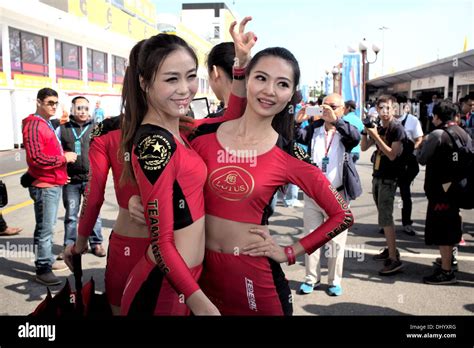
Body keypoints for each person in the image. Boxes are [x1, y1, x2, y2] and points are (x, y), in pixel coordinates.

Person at [190, 47, 353, 315]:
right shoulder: (202, 134)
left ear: (291, 95)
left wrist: (290, 252)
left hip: (254, 277)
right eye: (261, 78)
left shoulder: (289, 154)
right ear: (246, 79)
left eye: (282, 84)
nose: (269, 91)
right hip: (199, 272)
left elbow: (342, 215)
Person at [119, 17, 254, 316]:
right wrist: (200, 302)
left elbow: (232, 119)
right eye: (171, 79)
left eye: (191, 76)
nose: (185, 89)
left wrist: (241, 66)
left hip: (185, 282)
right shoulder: (155, 143)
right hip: (164, 289)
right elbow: (162, 242)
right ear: (144, 83)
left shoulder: (180, 131)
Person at [294, 93, 360, 296]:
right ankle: (310, 279)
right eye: (323, 106)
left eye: (332, 106)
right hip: (313, 195)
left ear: (342, 109)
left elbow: (356, 137)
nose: (327, 109)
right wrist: (297, 123)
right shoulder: (313, 129)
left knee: (336, 243)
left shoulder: (346, 131)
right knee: (311, 238)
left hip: (338, 196)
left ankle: (334, 281)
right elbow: (294, 138)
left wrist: (336, 121)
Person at [22, 87, 77, 286]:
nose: (54, 106)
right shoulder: (35, 125)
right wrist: (63, 159)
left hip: (51, 182)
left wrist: (61, 174)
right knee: (45, 230)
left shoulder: (44, 123)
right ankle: (42, 268)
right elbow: (37, 158)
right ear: (39, 102)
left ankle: (46, 261)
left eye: (56, 102)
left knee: (48, 228)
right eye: (49, 103)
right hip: (44, 185)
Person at [417, 100, 472, 284]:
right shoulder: (463, 133)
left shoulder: (437, 134)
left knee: (442, 230)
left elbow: (422, 159)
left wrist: (419, 146)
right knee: (452, 224)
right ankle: (449, 260)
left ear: (437, 116)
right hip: (459, 188)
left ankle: (446, 271)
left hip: (441, 191)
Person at [361, 95, 404, 276]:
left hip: (389, 177)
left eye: (388, 108)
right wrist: (367, 131)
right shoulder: (380, 127)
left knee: (386, 217)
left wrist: (376, 136)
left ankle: (394, 259)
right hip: (378, 176)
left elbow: (392, 154)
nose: (385, 112)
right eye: (381, 108)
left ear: (394, 109)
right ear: (376, 110)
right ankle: (390, 249)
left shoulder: (396, 128)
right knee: (383, 216)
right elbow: (363, 147)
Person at [59, 96, 105, 259]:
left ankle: (96, 243)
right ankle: (70, 245)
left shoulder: (97, 128)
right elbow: (55, 152)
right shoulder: (62, 128)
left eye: (85, 108)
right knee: (71, 214)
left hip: (91, 180)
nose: (83, 111)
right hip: (71, 181)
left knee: (94, 212)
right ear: (72, 109)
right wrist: (61, 172)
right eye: (79, 108)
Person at [395, 102, 424, 236]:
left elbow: (419, 139)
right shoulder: (388, 120)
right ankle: (386, 223)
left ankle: (407, 223)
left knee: (405, 194)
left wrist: (413, 152)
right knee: (386, 195)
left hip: (408, 164)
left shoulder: (413, 120)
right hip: (391, 162)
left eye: (399, 106)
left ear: (405, 107)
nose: (396, 110)